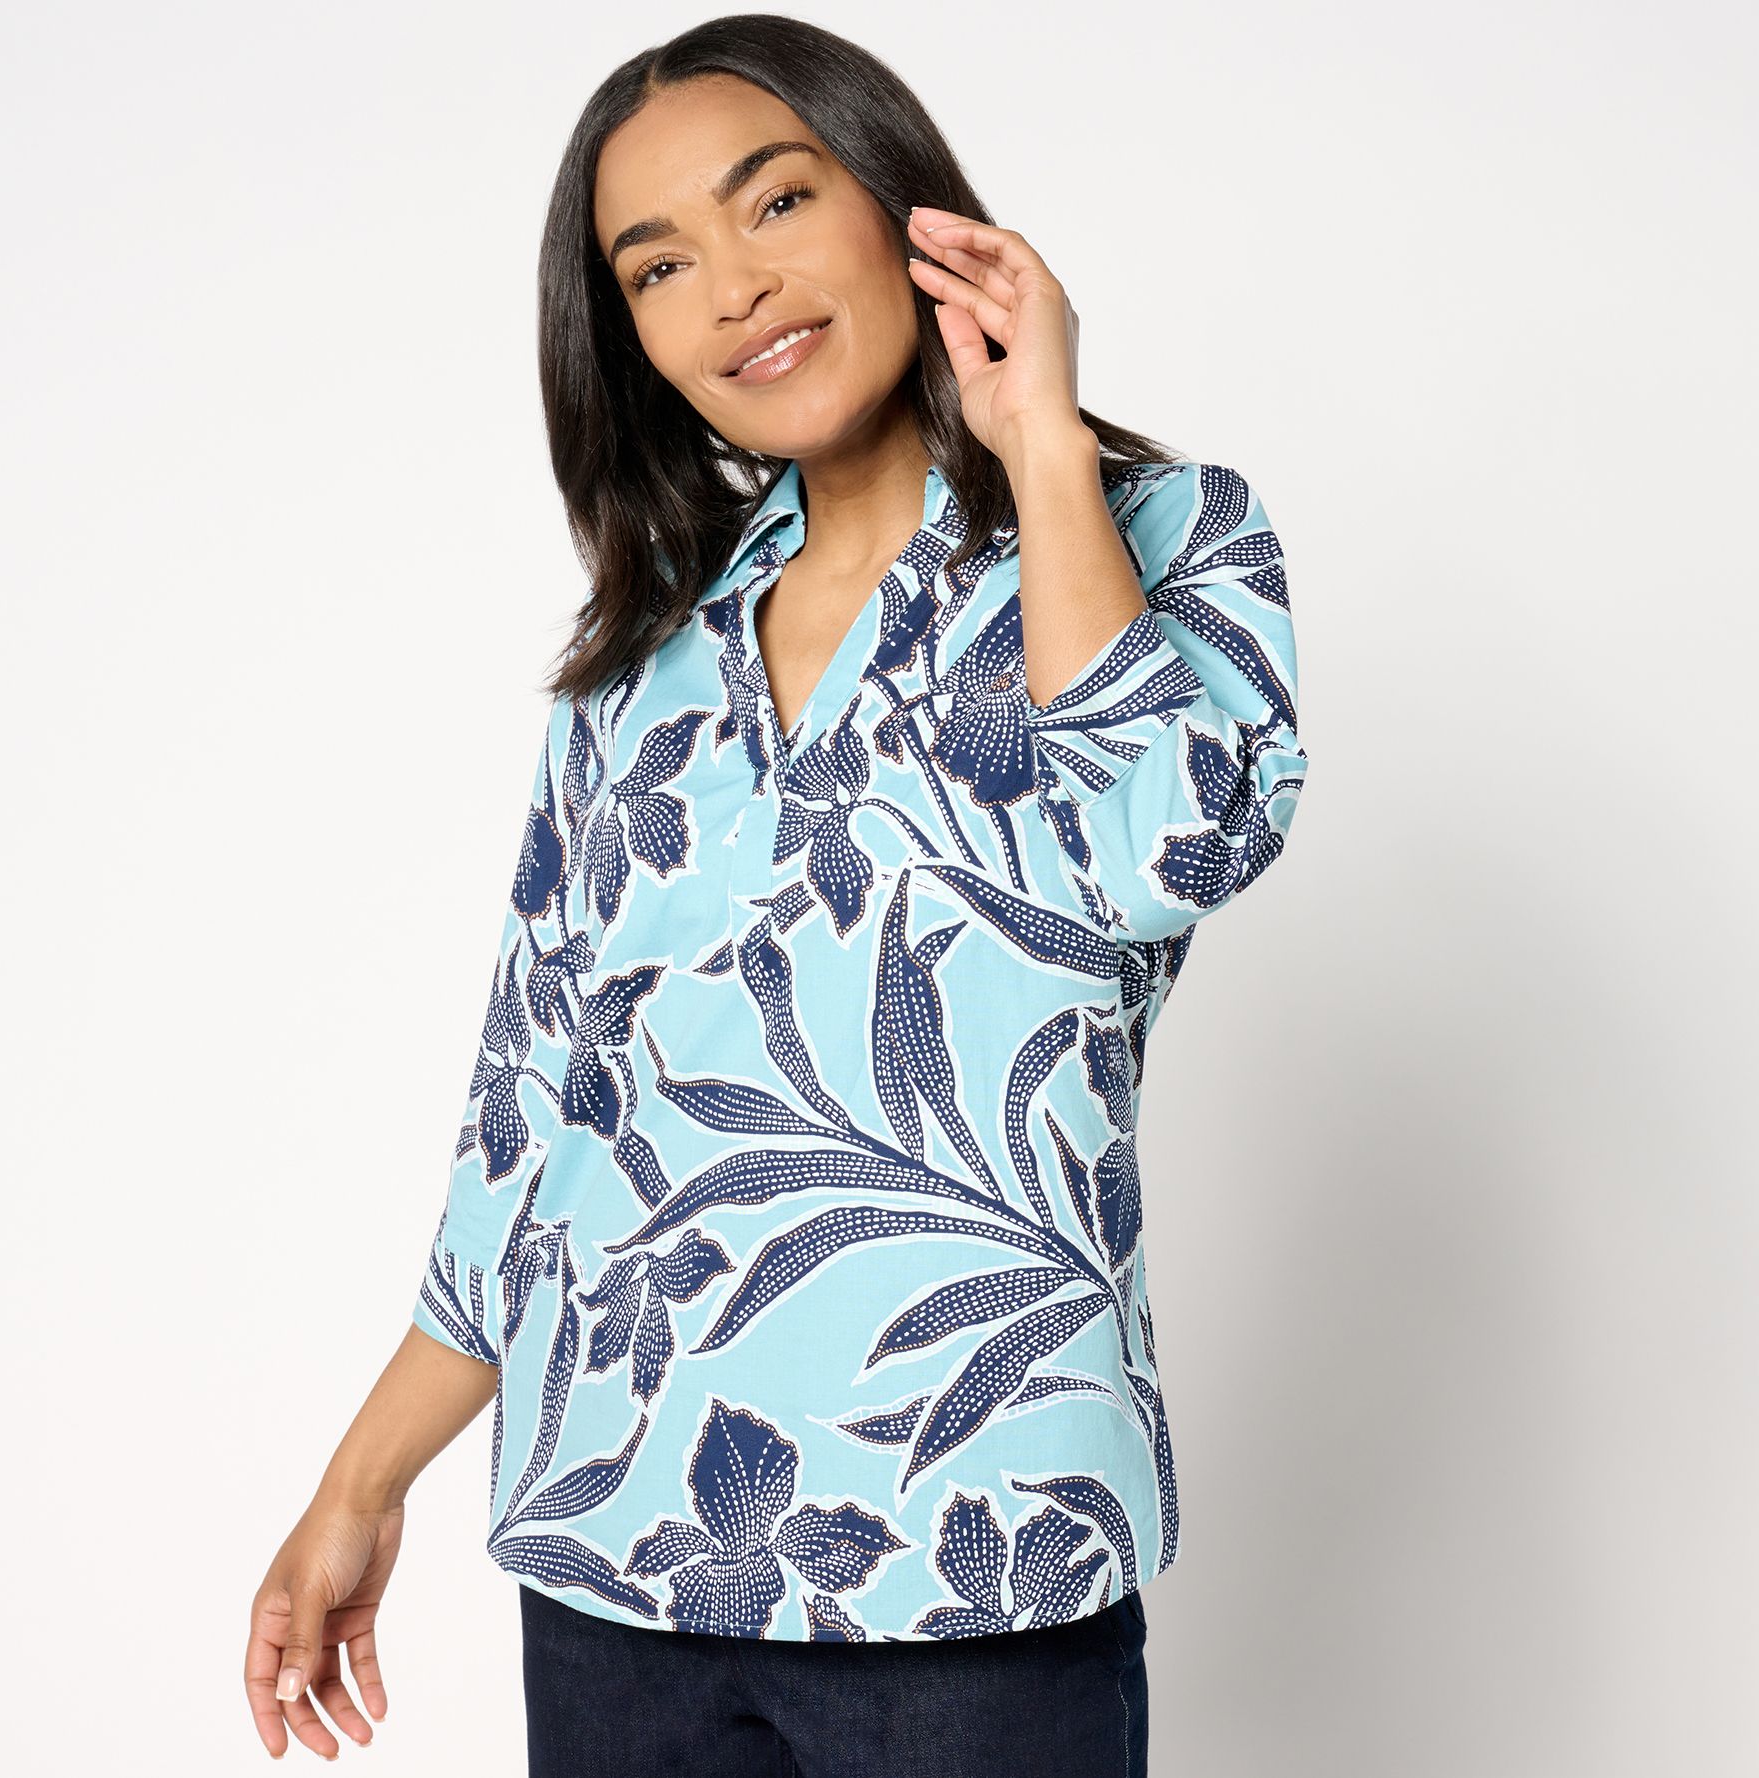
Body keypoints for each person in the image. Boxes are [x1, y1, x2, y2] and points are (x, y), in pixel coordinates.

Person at [245, 15, 1311, 1775]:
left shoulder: (1160, 535)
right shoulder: (646, 648)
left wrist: (1040, 439)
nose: (732, 287)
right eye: (659, 265)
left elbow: (1163, 850)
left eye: (777, 202)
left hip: (974, 1560)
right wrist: (359, 1482)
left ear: (904, 205)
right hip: (618, 1555)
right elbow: (538, 1111)